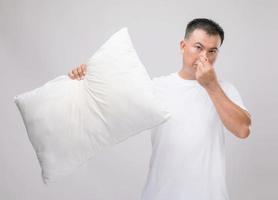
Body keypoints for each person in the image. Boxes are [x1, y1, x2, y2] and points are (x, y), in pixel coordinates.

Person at [68, 18, 252, 200]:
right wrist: (89, 78)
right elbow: (111, 107)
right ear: (182, 46)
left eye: (212, 51)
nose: (205, 57)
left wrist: (211, 85)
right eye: (198, 47)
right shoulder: (157, 87)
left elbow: (243, 129)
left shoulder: (225, 89)